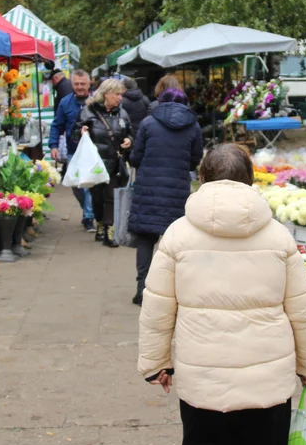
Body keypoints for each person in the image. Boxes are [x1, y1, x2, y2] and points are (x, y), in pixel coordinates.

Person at [138, 144, 306, 445]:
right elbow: (303, 309)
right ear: (250, 181)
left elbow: (157, 307)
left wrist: (155, 363)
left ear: (202, 177)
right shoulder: (277, 237)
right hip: (267, 387)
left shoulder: (177, 236)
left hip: (203, 385)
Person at [127, 88, 203, 306]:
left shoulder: (148, 123)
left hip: (148, 189)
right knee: (175, 241)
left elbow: (136, 157)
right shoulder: (193, 126)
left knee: (145, 239)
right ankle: (172, 290)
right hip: (177, 191)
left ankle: (142, 289)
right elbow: (194, 159)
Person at [73, 78, 132, 247]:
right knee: (97, 198)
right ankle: (100, 223)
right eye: (117, 94)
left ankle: (109, 232)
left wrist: (129, 141)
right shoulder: (88, 112)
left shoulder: (122, 113)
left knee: (111, 197)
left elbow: (130, 133)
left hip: (114, 164)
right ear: (106, 94)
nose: (120, 98)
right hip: (95, 165)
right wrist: (81, 131)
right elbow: (74, 134)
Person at [49, 70, 94, 232]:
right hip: (73, 150)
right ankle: (87, 210)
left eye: (83, 84)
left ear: (89, 84)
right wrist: (53, 145)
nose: (80, 87)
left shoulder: (97, 101)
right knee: (76, 185)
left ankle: (89, 217)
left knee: (89, 185)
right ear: (72, 84)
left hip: (93, 152)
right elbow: (57, 125)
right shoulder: (65, 103)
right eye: (76, 84)